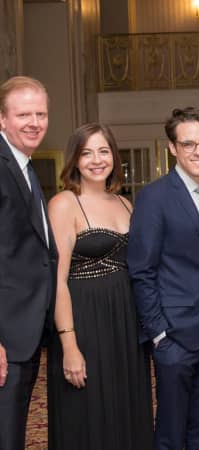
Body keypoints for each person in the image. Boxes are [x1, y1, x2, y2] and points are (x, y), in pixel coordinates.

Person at [128, 107, 199, 450]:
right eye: (188, 144)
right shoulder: (154, 197)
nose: (198, 151)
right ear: (172, 148)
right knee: (171, 436)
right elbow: (142, 270)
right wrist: (159, 334)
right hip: (175, 338)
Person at [46, 123, 153, 449]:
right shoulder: (65, 203)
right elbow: (57, 281)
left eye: (103, 151)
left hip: (124, 324)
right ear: (75, 160)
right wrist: (69, 346)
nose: (96, 159)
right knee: (88, 413)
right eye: (87, 152)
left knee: (126, 408)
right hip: (84, 323)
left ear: (114, 157)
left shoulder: (126, 204)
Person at [0, 75, 57, 450]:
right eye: (23, 114)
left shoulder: (24, 166)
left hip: (25, 333)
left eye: (41, 113)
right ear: (2, 119)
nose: (34, 122)